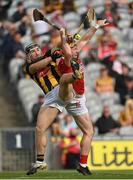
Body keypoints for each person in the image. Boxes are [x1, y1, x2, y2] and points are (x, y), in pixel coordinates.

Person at [25, 18, 108, 176]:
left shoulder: (54, 53)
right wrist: (59, 48)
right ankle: (40, 162)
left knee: (89, 131)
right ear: (28, 57)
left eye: (37, 49)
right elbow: (43, 62)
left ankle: (82, 165)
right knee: (39, 128)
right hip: (52, 97)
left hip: (67, 93)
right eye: (32, 52)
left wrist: (67, 39)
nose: (35, 52)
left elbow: (76, 42)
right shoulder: (30, 67)